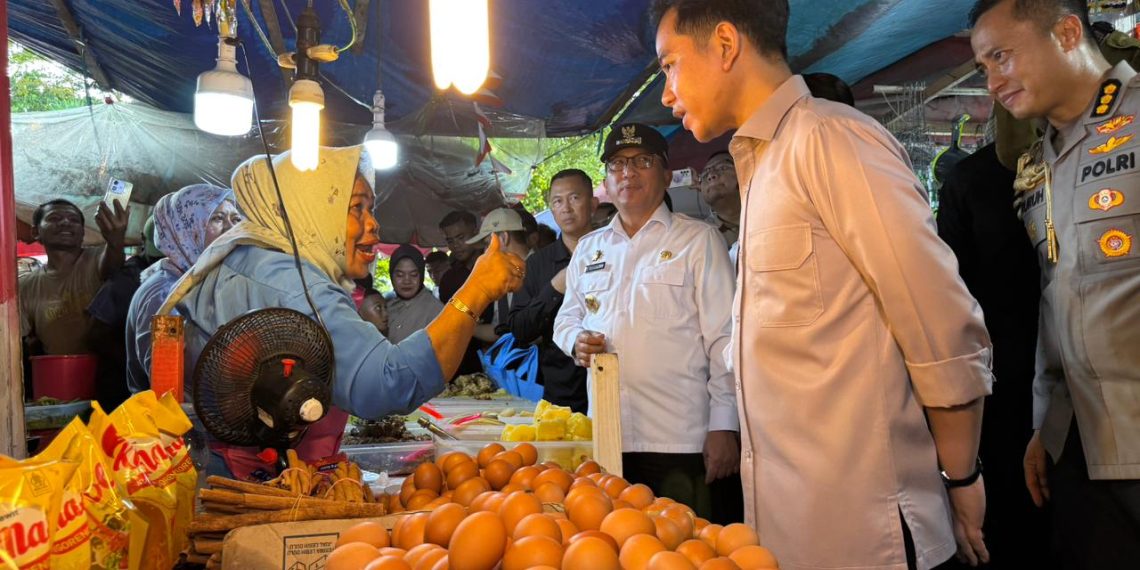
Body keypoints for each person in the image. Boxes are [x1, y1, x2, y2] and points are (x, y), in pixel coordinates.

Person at [652, 2, 995, 568]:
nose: (667, 93)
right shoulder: (760, 165)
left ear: (725, 43)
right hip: (794, 527)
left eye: (669, 65)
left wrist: (961, 476)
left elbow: (940, 325)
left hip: (869, 532)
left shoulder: (832, 140)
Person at [160, 146, 523, 479]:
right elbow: (387, 383)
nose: (374, 224)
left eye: (370, 208)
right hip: (252, 483)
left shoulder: (243, 260)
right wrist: (476, 291)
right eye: (356, 208)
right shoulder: (295, 284)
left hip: (214, 473)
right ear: (310, 209)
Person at [972, 1, 1140, 567]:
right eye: (983, 68)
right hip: (1083, 451)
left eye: (1001, 57)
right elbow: (1060, 293)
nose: (993, 82)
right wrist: (1048, 425)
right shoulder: (1038, 159)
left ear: (1067, 31)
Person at [553, 124, 742, 524]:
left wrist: (725, 425)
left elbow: (726, 340)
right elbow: (566, 317)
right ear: (606, 180)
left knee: (686, 553)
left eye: (643, 161)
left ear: (667, 175)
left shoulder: (700, 241)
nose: (628, 173)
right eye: (617, 164)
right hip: (607, 438)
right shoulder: (590, 249)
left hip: (680, 441)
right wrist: (576, 341)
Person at [936, 143, 1051, 567]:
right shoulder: (970, 178)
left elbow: (947, 293)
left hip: (1019, 375)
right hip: (1006, 377)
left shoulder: (969, 177)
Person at [125, 184, 240, 394]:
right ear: (185, 228)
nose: (231, 228)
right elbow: (167, 385)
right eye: (217, 218)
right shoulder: (165, 294)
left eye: (235, 219)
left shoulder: (197, 283)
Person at [19, 198, 130, 398]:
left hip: (108, 383)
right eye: (55, 218)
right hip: (60, 385)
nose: (65, 223)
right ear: (36, 232)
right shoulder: (26, 286)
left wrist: (115, 240)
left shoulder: (97, 258)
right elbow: (21, 342)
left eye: (73, 219)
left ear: (82, 232)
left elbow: (112, 267)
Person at [508, 169, 598, 414]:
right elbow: (520, 330)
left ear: (593, 204)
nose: (566, 208)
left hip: (615, 386)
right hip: (563, 394)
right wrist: (554, 288)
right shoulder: (538, 264)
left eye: (574, 198)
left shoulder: (617, 252)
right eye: (558, 201)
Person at [87, 215, 164, 409]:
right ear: (143, 242)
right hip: (123, 393)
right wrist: (139, 367)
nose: (163, 261)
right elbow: (96, 333)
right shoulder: (130, 277)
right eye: (159, 256)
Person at [466, 208, 533, 344]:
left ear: (503, 238)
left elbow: (532, 332)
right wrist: (467, 325)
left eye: (487, 244)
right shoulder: (507, 276)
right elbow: (501, 329)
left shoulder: (540, 270)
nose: (485, 253)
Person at [386, 243, 443, 344]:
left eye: (413, 275)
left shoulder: (436, 311)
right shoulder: (386, 307)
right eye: (400, 275)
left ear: (421, 276)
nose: (407, 281)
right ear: (391, 275)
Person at [698, 151, 741, 251]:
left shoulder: (773, 216)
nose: (711, 175)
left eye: (723, 168)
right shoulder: (699, 236)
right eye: (705, 174)